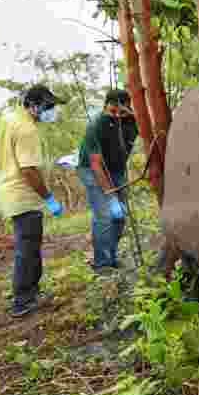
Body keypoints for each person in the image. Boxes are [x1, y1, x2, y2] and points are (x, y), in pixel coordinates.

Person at [0, 84, 66, 318]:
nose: (52, 112)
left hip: (8, 190)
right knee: (27, 248)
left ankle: (32, 292)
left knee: (29, 245)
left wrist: (2, 179)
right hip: (22, 195)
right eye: (49, 107)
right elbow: (29, 170)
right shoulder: (27, 129)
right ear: (34, 106)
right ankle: (23, 300)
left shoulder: (8, 118)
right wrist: (49, 197)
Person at [77, 89, 137, 274]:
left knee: (120, 217)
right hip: (92, 170)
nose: (117, 115)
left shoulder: (130, 121)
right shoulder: (96, 125)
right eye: (113, 111)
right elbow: (95, 164)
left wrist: (132, 116)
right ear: (107, 106)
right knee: (105, 216)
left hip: (117, 169)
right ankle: (102, 264)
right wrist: (110, 196)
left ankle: (111, 256)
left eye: (122, 111)